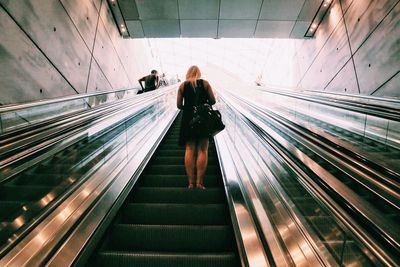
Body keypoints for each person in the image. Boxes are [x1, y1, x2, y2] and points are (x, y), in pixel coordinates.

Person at [177, 66, 216, 189]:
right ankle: (200, 183)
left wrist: (188, 108)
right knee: (203, 150)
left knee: (189, 149)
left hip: (188, 118)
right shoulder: (205, 84)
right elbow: (213, 101)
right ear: (199, 73)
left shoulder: (182, 86)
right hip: (203, 117)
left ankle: (190, 183)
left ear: (187, 74)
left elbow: (178, 105)